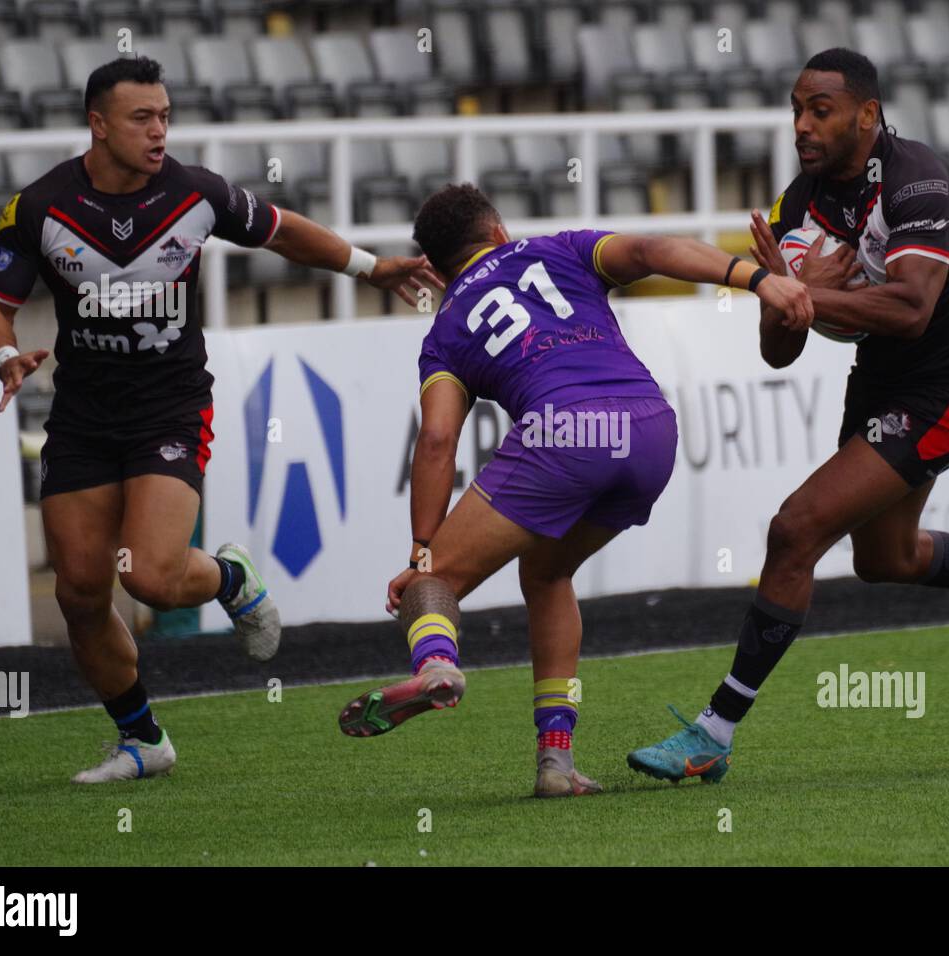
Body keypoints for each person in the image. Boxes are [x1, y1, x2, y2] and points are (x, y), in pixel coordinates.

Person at [0, 55, 440, 783]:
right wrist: (3, 357)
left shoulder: (195, 193)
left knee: (152, 578)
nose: (159, 131)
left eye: (165, 116)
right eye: (141, 118)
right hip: (84, 419)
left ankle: (228, 577)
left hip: (170, 407)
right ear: (99, 124)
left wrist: (371, 267)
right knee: (81, 593)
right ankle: (143, 741)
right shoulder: (39, 208)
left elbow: (281, 231)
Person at [627, 48, 949, 784]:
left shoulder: (917, 180)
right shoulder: (797, 203)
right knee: (883, 560)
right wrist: (783, 296)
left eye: (820, 110)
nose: (801, 124)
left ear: (867, 114)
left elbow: (908, 307)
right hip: (880, 385)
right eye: (796, 108)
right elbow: (778, 350)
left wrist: (796, 289)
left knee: (795, 528)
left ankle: (713, 732)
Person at [336, 182, 814, 797]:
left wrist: (422, 553)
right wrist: (757, 280)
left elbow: (435, 441)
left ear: (435, 268)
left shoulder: (446, 330)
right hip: (648, 429)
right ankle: (555, 765)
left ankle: (435, 666)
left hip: (564, 431)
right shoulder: (560, 248)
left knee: (433, 586)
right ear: (498, 231)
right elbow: (651, 251)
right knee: (545, 574)